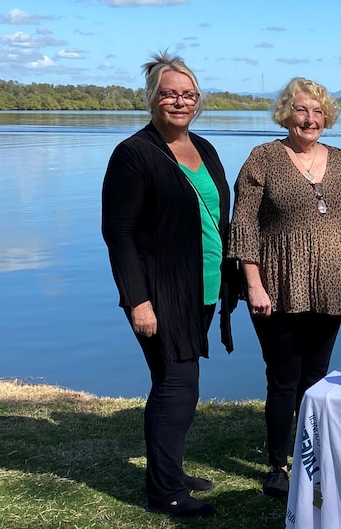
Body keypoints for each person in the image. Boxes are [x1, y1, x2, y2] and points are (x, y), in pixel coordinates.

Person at [102, 51, 236, 518]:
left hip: (203, 288)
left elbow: (217, 216)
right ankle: (166, 493)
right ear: (153, 98)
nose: (179, 101)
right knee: (177, 385)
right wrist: (138, 301)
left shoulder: (204, 148)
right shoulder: (133, 154)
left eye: (188, 94)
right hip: (160, 292)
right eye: (170, 93)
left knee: (176, 381)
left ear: (197, 100)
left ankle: (168, 472)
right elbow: (118, 234)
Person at [228, 77, 341, 498]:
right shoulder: (263, 158)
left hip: (332, 285)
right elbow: (244, 224)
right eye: (302, 110)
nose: (310, 119)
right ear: (287, 114)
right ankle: (277, 465)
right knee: (283, 378)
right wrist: (254, 284)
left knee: (317, 377)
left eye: (318, 111)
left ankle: (314, 455)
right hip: (278, 285)